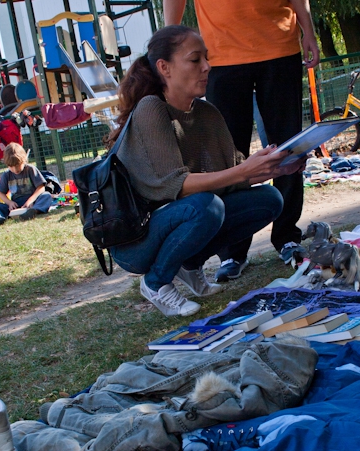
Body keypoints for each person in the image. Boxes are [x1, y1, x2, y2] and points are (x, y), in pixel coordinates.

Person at [107, 25, 291, 317]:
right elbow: (177, 186)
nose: (206, 67)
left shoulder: (207, 113)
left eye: (207, 58)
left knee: (269, 200)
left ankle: (190, 266)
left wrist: (277, 167)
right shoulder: (151, 108)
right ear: (164, 68)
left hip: (182, 218)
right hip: (136, 239)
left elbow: (233, 173)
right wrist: (244, 170)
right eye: (195, 60)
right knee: (206, 207)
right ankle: (155, 283)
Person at [164, 0, 320, 282]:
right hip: (221, 53)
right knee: (225, 155)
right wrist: (168, 45)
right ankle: (232, 251)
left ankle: (287, 236)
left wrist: (308, 29)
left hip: (278, 44)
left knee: (288, 147)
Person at [0, 143, 53, 226]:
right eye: (11, 166)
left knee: (46, 195)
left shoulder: (30, 169)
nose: (15, 169)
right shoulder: (6, 174)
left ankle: (34, 211)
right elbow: (1, 193)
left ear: (24, 160)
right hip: (15, 205)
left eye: (17, 165)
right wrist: (9, 203)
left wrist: (30, 201)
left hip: (33, 202)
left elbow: (41, 188)